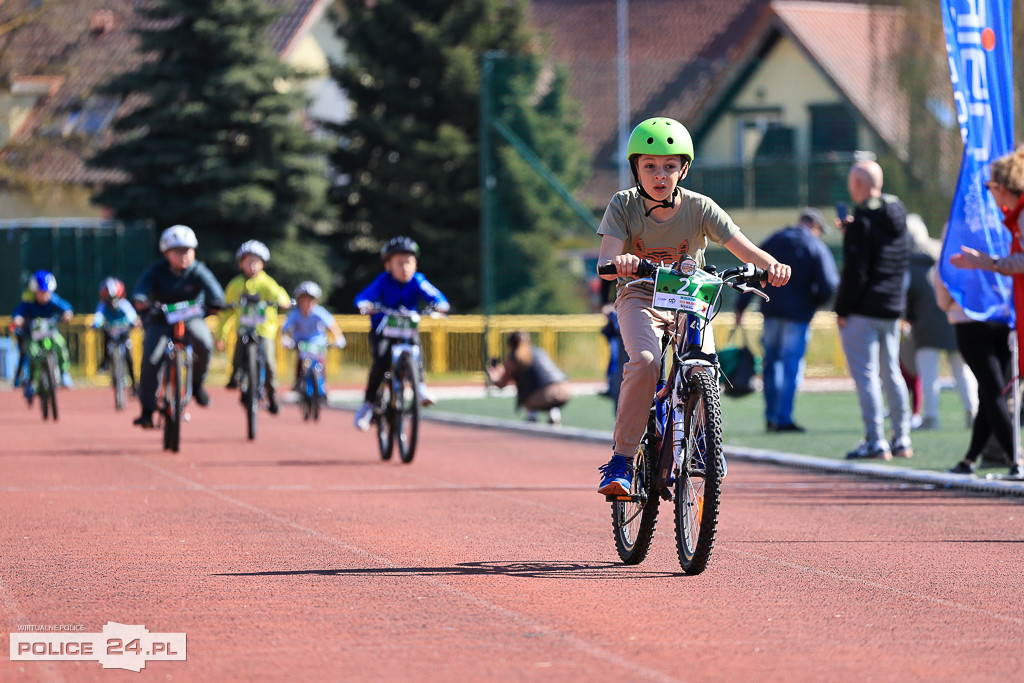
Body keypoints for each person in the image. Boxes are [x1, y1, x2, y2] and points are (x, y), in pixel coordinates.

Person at [595, 117, 791, 496]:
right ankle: (621, 459)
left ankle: (703, 438)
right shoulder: (623, 205)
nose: (660, 175)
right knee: (648, 362)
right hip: (640, 294)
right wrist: (619, 262)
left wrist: (772, 267)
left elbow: (745, 248)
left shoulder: (700, 208)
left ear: (684, 169)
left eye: (670, 166)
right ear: (636, 168)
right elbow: (605, 263)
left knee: (705, 363)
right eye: (650, 166)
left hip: (689, 297)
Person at [943, 146, 1024, 478]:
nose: (991, 195)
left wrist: (987, 263)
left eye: (992, 188)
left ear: (1003, 187)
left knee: (993, 391)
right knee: (992, 391)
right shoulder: (1009, 219)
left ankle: (1015, 460)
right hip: (1001, 317)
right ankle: (971, 459)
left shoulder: (1017, 217)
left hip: (987, 319)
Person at [834, 160, 913, 461]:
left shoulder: (862, 223)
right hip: (892, 307)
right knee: (891, 373)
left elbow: (856, 273)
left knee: (866, 376)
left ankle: (875, 440)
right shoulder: (897, 217)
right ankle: (902, 438)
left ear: (857, 186)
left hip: (863, 310)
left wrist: (842, 308)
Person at [735, 207, 839, 433]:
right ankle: (783, 418)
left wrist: (741, 308)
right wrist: (814, 303)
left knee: (771, 365)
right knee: (791, 367)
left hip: (771, 312)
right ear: (815, 226)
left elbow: (751, 270)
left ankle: (771, 417)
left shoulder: (774, 240)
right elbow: (829, 284)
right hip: (798, 317)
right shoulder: (814, 245)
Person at [131, 225, 226, 429]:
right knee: (151, 358)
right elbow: (141, 289)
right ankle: (147, 410)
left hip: (191, 318)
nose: (183, 256)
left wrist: (217, 301)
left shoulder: (198, 270)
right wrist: (140, 299)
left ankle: (197, 383)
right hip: (160, 320)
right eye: (177, 251)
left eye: (187, 250)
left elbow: (215, 291)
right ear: (166, 253)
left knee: (205, 343)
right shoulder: (156, 271)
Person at [352, 236, 450, 431]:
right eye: (399, 263)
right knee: (380, 361)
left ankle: (420, 388)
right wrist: (365, 305)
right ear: (388, 265)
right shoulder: (383, 281)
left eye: (409, 262)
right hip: (383, 330)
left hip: (407, 329)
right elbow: (363, 297)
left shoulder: (417, 280)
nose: (405, 267)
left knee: (417, 350)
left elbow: (436, 296)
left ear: (415, 264)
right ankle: (368, 405)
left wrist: (440, 305)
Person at [903, 215, 976, 430]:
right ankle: (973, 412)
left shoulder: (910, 263)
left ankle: (932, 417)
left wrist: (908, 319)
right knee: (962, 370)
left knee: (929, 373)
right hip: (954, 318)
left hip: (926, 326)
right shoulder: (944, 253)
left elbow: (907, 296)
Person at [216, 240, 291, 415]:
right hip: (243, 329)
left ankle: (272, 394)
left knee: (270, 363)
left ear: (263, 264)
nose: (252, 265)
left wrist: (283, 301)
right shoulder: (235, 285)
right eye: (248, 261)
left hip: (265, 330)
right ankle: (235, 377)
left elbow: (279, 294)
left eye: (256, 261)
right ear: (241, 263)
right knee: (237, 353)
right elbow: (226, 313)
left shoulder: (266, 282)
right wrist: (221, 336)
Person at [486, 330, 572, 424]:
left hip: (544, 396)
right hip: (566, 389)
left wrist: (494, 378)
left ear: (510, 344)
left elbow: (501, 384)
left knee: (526, 387)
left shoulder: (514, 358)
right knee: (536, 383)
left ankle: (532, 416)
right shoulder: (539, 351)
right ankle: (554, 414)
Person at [10, 270, 75, 389]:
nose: (45, 295)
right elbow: (19, 312)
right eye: (42, 292)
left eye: (47, 292)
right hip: (32, 337)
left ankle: (63, 373)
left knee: (60, 346)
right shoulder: (29, 302)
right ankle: (31, 380)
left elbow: (65, 307)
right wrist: (18, 319)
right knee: (32, 353)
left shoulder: (52, 300)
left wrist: (67, 313)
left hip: (50, 334)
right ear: (35, 291)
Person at [281, 280, 347, 391]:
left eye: (310, 300)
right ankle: (298, 381)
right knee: (301, 361)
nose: (307, 304)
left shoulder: (319, 312)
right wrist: (285, 339)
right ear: (299, 300)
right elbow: (286, 329)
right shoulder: (295, 314)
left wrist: (339, 338)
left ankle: (323, 385)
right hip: (300, 342)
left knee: (320, 361)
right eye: (304, 300)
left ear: (315, 301)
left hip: (317, 342)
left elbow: (332, 326)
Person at [91, 276, 139, 389]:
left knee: (128, 355)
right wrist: (95, 324)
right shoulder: (103, 305)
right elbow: (98, 316)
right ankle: (105, 364)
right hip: (110, 331)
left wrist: (133, 322)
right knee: (106, 344)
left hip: (123, 332)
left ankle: (134, 384)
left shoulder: (124, 304)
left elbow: (131, 314)